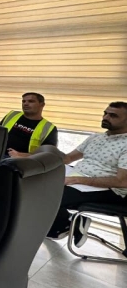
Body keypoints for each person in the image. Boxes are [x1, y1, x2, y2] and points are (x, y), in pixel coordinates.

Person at [46, 102, 127, 245]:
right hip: (78, 178)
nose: (105, 117)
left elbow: (122, 181)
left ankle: (64, 225)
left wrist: (78, 180)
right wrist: (45, 152)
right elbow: (68, 159)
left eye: (113, 115)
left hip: (110, 190)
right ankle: (68, 223)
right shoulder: (95, 137)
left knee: (51, 195)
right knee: (37, 183)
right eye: (105, 113)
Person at [0, 93, 57, 157]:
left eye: (31, 101)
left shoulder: (48, 128)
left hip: (23, 161)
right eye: (23, 101)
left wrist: (20, 155)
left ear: (42, 105)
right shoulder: (12, 115)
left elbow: (48, 155)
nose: (25, 104)